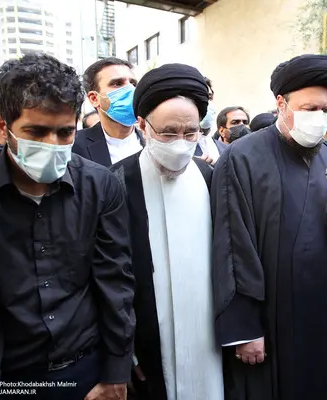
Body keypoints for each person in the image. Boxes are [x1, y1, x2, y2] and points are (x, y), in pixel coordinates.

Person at [212, 54, 327, 400]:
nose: (317, 117)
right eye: (308, 108)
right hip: (276, 317)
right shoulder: (241, 157)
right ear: (280, 103)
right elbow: (233, 246)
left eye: (324, 109)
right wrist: (245, 328)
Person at [0, 53, 135, 400]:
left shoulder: (100, 186)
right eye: (36, 132)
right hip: (8, 375)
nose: (53, 145)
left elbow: (115, 282)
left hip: (86, 370)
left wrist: (116, 373)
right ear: (2, 124)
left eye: (65, 132)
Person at [110, 63, 223, 400]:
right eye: (168, 133)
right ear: (142, 125)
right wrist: (124, 351)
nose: (181, 144)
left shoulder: (211, 177)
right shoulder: (116, 182)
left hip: (208, 338)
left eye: (191, 133)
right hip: (146, 342)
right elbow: (107, 276)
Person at [73, 57, 144, 167]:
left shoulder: (154, 141)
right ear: (94, 98)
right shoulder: (74, 146)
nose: (131, 90)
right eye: (117, 83)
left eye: (133, 84)